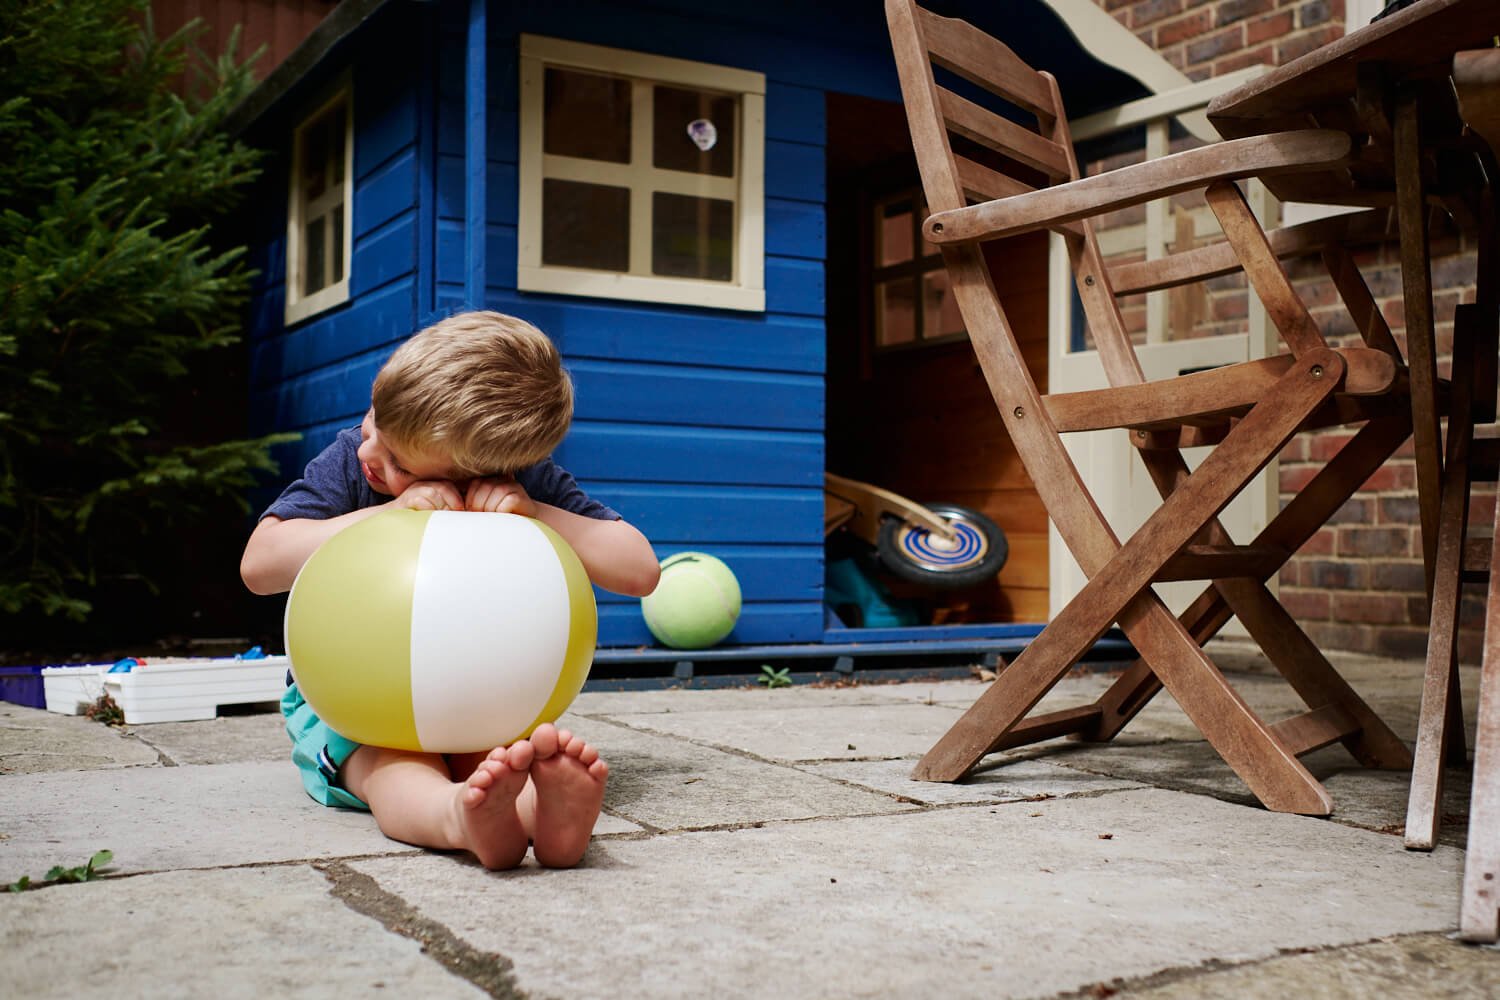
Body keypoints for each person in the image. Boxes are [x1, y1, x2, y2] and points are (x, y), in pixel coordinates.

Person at [240, 310, 660, 869]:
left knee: (495, 759)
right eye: (373, 423)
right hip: (353, 704)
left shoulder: (522, 480)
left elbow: (641, 570)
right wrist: (386, 511)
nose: (370, 452)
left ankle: (541, 816)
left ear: (476, 472)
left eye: (397, 461)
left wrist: (535, 512)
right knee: (389, 768)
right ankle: (455, 816)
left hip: (478, 691)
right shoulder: (351, 460)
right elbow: (259, 565)